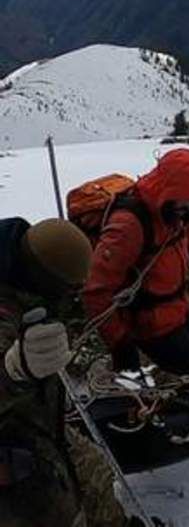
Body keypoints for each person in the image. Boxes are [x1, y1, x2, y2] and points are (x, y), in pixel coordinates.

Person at [0, 217, 128, 526]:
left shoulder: (23, 279)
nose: (72, 295)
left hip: (40, 425)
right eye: (68, 288)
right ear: (45, 278)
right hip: (12, 449)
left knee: (95, 471)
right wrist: (13, 371)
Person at [83, 148, 189, 390]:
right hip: (150, 327)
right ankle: (188, 422)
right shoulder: (129, 225)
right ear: (169, 193)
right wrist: (120, 344)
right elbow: (96, 291)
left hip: (179, 310)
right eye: (186, 203)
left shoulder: (178, 214)